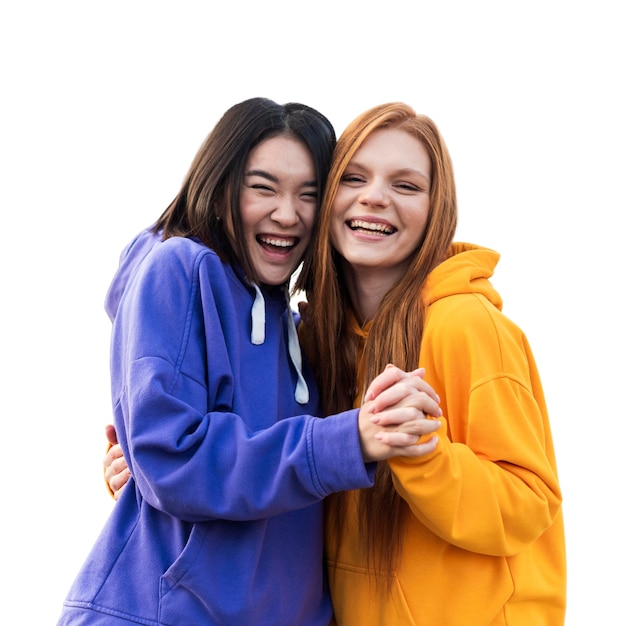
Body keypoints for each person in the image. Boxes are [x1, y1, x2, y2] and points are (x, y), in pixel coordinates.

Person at [103, 101, 567, 625]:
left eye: (407, 186)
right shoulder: (314, 341)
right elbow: (274, 468)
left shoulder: (464, 324)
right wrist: (149, 473)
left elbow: (530, 503)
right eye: (353, 178)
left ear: (437, 209)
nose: (375, 197)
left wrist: (420, 457)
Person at [56, 98, 443, 626]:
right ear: (220, 187)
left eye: (309, 194)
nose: (288, 213)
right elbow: (173, 460)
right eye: (263, 187)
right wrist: (348, 439)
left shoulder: (299, 328)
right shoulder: (178, 268)